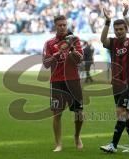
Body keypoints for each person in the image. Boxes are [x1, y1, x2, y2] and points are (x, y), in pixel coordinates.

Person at [99, 2, 129, 153]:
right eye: (116, 30)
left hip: (128, 81)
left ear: (125, 29)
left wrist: (126, 16)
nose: (118, 32)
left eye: (121, 29)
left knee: (121, 111)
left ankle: (113, 145)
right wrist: (107, 22)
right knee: (127, 114)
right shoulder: (113, 42)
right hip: (116, 83)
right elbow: (103, 39)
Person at [42, 15, 84, 152]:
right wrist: (58, 52)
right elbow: (46, 64)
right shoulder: (49, 43)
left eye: (64, 25)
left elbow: (80, 60)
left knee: (79, 113)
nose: (62, 27)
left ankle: (77, 137)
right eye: (59, 25)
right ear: (55, 26)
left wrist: (71, 49)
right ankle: (58, 143)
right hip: (57, 82)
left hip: (73, 81)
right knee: (57, 114)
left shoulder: (74, 40)